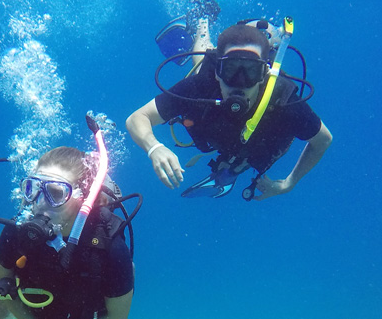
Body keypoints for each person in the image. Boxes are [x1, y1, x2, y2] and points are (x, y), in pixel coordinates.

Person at [127, 11, 332, 201]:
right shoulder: (202, 85)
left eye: (250, 71)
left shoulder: (283, 99)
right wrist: (154, 147)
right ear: (218, 71)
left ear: (264, 75)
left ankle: (231, 167)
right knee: (199, 60)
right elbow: (137, 118)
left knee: (253, 148)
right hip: (213, 106)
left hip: (253, 136)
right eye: (231, 69)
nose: (239, 82)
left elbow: (323, 140)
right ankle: (203, 20)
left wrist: (289, 183)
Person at [0, 147, 134, 319]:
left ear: (85, 198)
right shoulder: (16, 232)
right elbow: (1, 288)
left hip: (90, 311)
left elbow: (119, 318)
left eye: (55, 193)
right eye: (32, 190)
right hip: (43, 312)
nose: (38, 204)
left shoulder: (110, 247)